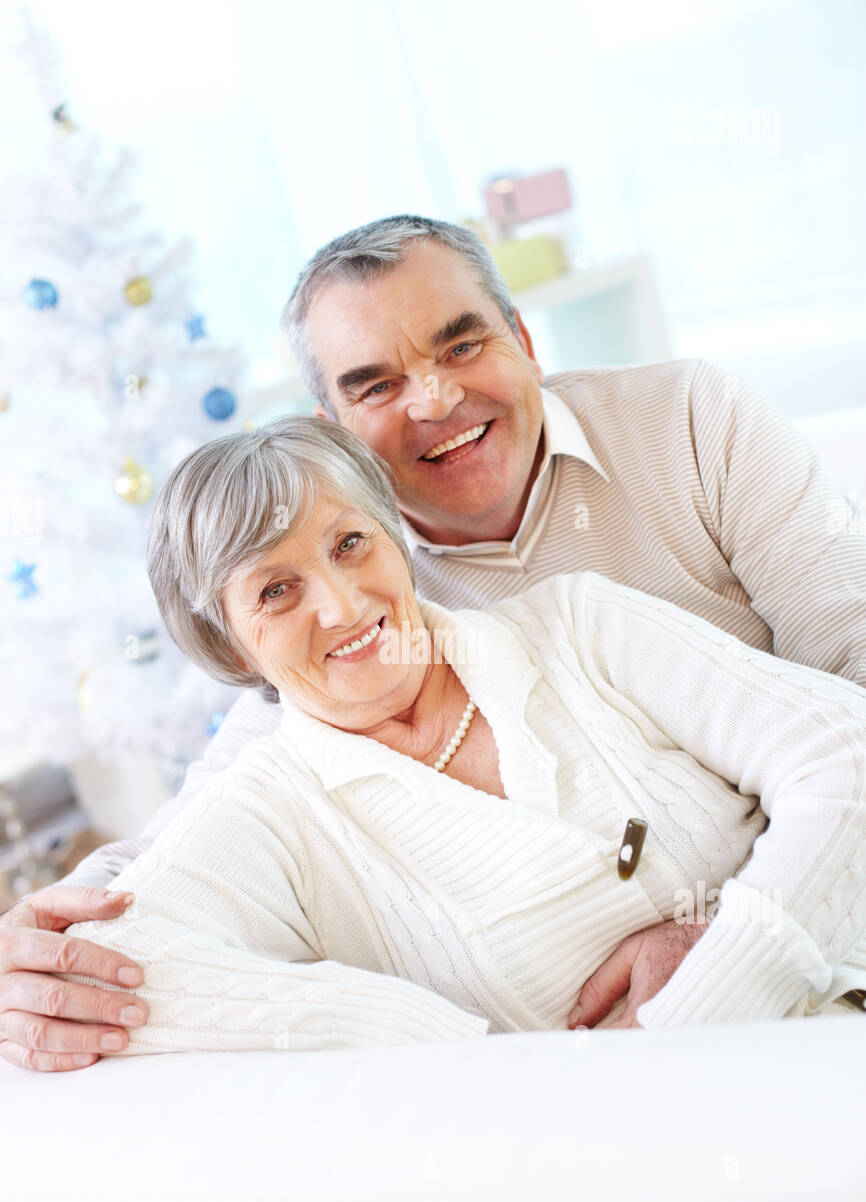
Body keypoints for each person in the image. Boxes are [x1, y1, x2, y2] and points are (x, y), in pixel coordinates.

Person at [3, 215, 866, 1069]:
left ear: (523, 337)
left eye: (461, 347)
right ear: (335, 426)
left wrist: (725, 940)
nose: (436, 400)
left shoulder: (686, 425)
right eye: (375, 385)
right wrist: (44, 938)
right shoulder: (357, 615)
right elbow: (188, 842)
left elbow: (850, 702)